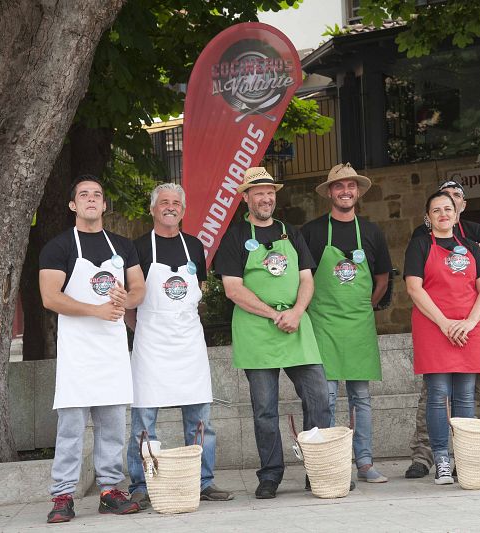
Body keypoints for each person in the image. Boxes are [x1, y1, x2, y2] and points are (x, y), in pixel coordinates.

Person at [213, 167, 331, 499]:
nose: (266, 198)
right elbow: (233, 289)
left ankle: (317, 470)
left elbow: (307, 278)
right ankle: (270, 474)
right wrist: (273, 314)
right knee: (264, 407)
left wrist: (295, 312)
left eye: (270, 192)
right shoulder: (235, 237)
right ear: (245, 198)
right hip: (255, 329)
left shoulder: (290, 232)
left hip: (296, 325)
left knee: (318, 398)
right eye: (259, 192)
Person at [39, 175, 145, 523]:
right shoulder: (58, 247)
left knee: (113, 426)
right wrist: (96, 310)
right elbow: (50, 296)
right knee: (71, 428)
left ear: (103, 205)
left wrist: (124, 298)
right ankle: (63, 495)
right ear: (73, 205)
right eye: (83, 194)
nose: (90, 199)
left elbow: (139, 289)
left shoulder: (122, 246)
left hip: (112, 351)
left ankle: (110, 491)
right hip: (76, 353)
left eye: (97, 195)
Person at [124, 183, 233, 509]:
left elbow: (195, 292)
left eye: (176, 203)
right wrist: (143, 330)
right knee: (144, 421)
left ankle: (204, 481)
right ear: (153, 208)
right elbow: (131, 299)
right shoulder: (139, 247)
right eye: (164, 203)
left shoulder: (194, 247)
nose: (170, 207)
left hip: (188, 345)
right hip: (151, 346)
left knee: (201, 420)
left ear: (183, 210)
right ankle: (141, 484)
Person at [404, 180, 480, 479]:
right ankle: (441, 460)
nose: (442, 213)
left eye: (447, 208)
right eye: (436, 209)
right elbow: (414, 288)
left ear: (456, 213)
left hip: (468, 328)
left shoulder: (470, 247)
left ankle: (465, 457)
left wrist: (469, 323)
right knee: (438, 394)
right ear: (428, 216)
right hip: (434, 327)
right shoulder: (420, 244)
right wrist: (445, 323)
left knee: (465, 395)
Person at [301, 163, 393, 484]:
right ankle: (326, 465)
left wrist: (362, 308)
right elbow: (302, 279)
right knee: (324, 398)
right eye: (339, 186)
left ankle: (364, 462)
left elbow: (382, 278)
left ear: (358, 192)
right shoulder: (311, 232)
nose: (345, 191)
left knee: (361, 398)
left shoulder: (371, 231)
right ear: (330, 192)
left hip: (359, 327)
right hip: (322, 325)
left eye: (350, 186)